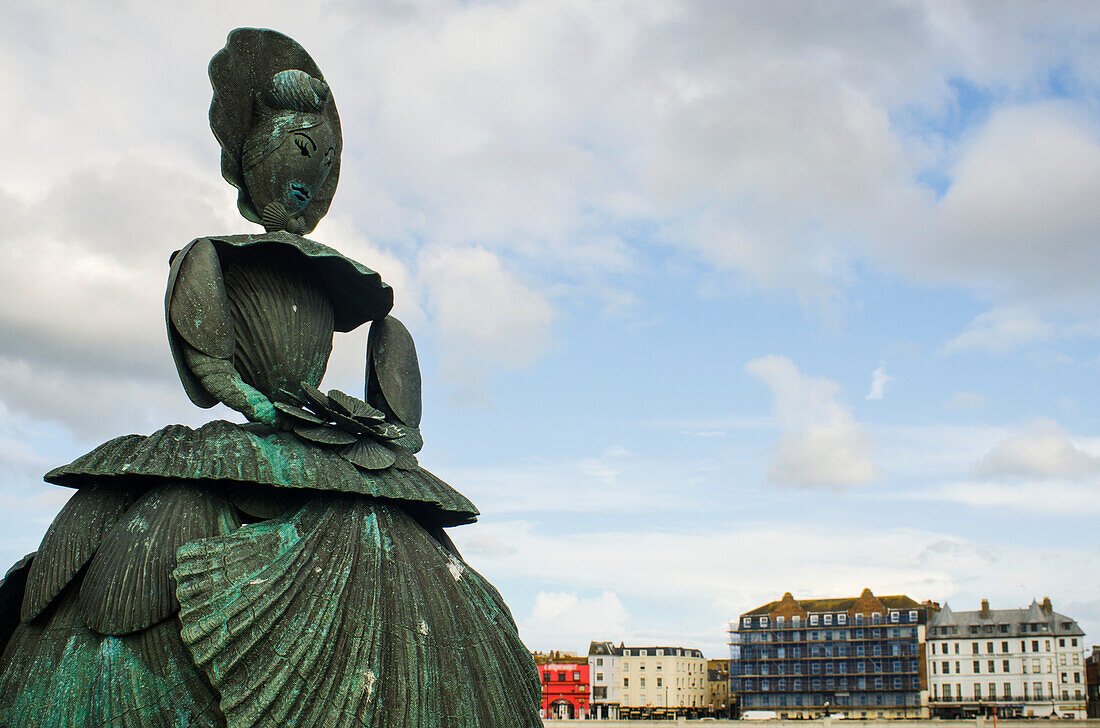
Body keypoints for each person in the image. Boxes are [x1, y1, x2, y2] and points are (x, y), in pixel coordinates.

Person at [0, 28, 542, 728]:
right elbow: (212, 366)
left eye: (319, 163)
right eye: (294, 154)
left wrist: (381, 423)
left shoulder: (341, 284)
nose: (306, 180)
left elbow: (391, 376)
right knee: (129, 580)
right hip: (266, 427)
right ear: (254, 163)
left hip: (325, 437)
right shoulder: (207, 258)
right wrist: (261, 405)